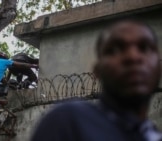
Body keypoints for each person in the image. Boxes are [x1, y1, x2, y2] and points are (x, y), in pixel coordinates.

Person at [31, 20, 162, 141]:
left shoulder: (152, 135)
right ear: (97, 71)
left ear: (159, 67)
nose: (133, 57)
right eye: (115, 50)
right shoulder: (69, 122)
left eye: (144, 48)